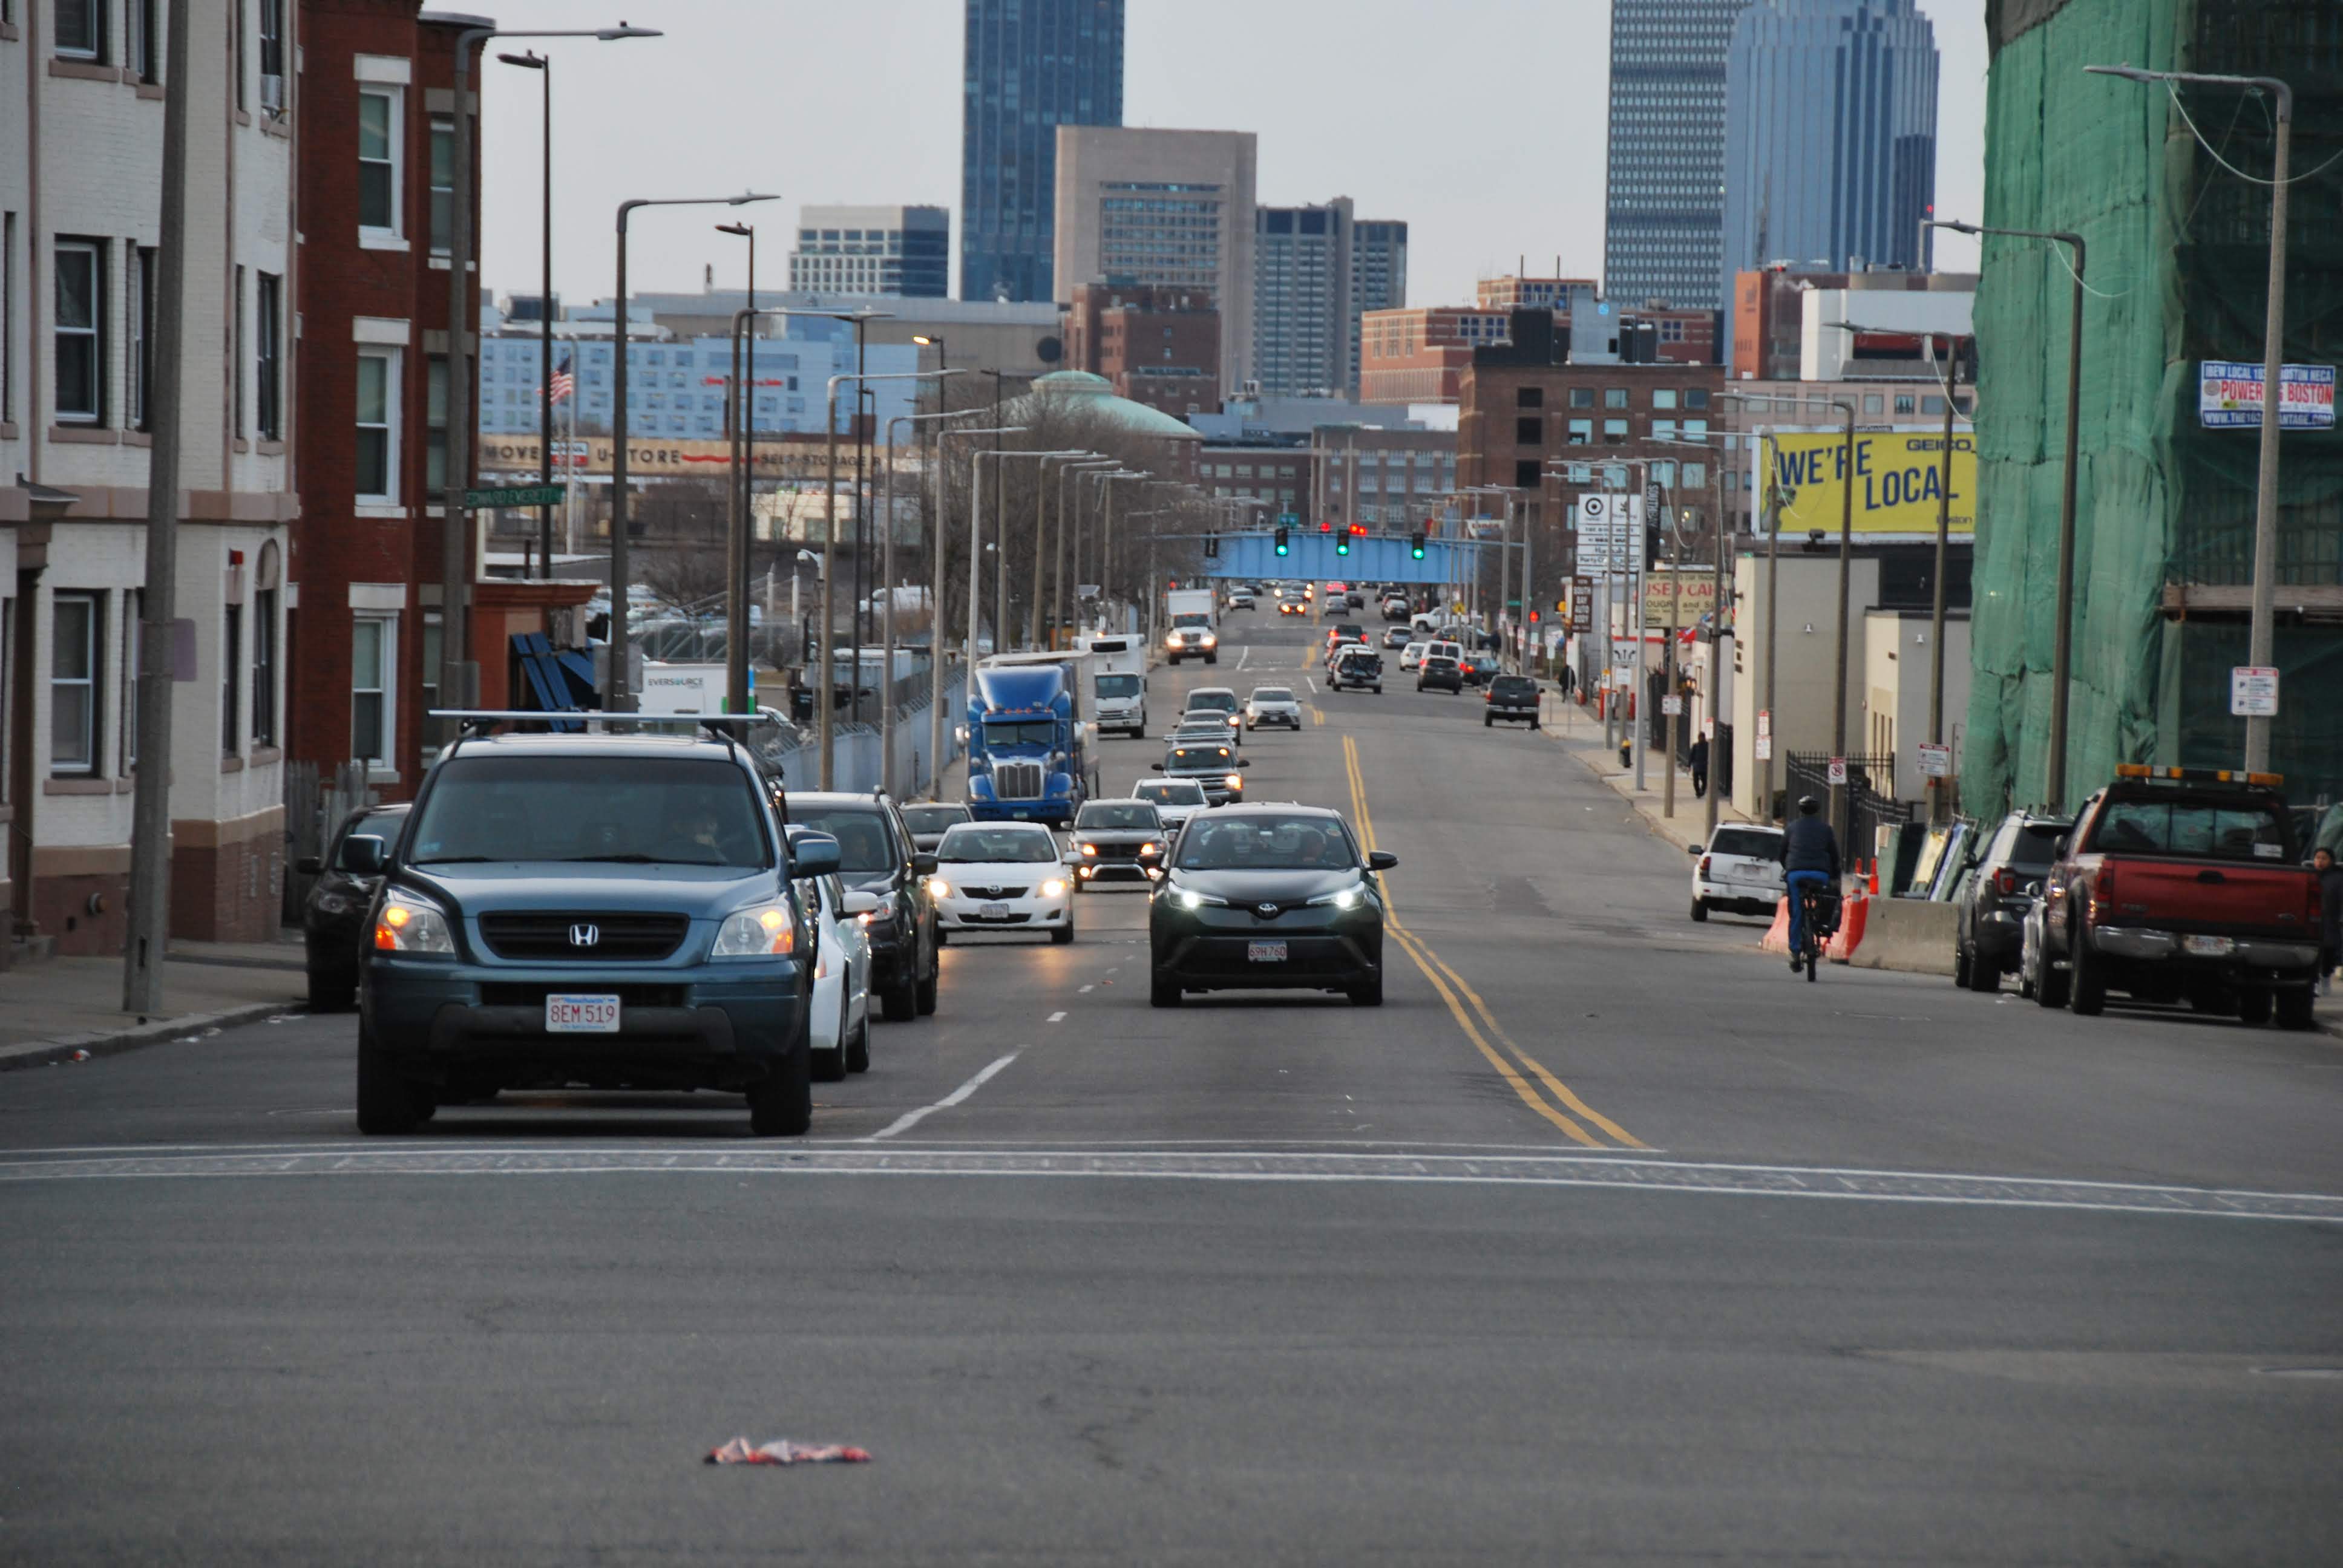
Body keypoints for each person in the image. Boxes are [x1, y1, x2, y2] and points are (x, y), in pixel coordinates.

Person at [1777, 795, 1842, 972]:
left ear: (1800, 810)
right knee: (1823, 902)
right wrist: (1835, 875)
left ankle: (1796, 952)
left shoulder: (1791, 828)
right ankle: (1819, 924)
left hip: (1796, 874)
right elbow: (1835, 856)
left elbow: (1782, 853)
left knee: (1797, 911)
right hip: (1820, 874)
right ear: (1817, 810)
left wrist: (1788, 868)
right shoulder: (1826, 829)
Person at [2315, 845, 2341, 998]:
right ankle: (2316, 982)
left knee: (2329, 952)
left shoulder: (2337, 878)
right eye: (2318, 858)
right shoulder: (2310, 875)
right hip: (2313, 921)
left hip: (2331, 921)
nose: (2320, 862)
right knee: (2316, 953)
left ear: (2331, 861)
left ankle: (2325, 977)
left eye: (2324, 858)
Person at [1688, 733, 1710, 799]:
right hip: (1697, 766)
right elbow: (1691, 756)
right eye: (1700, 737)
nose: (1701, 739)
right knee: (1696, 781)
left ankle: (1702, 791)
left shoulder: (1708, 746)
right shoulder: (1695, 746)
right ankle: (1698, 792)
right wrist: (1689, 765)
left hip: (1704, 766)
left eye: (1702, 737)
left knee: (1704, 781)